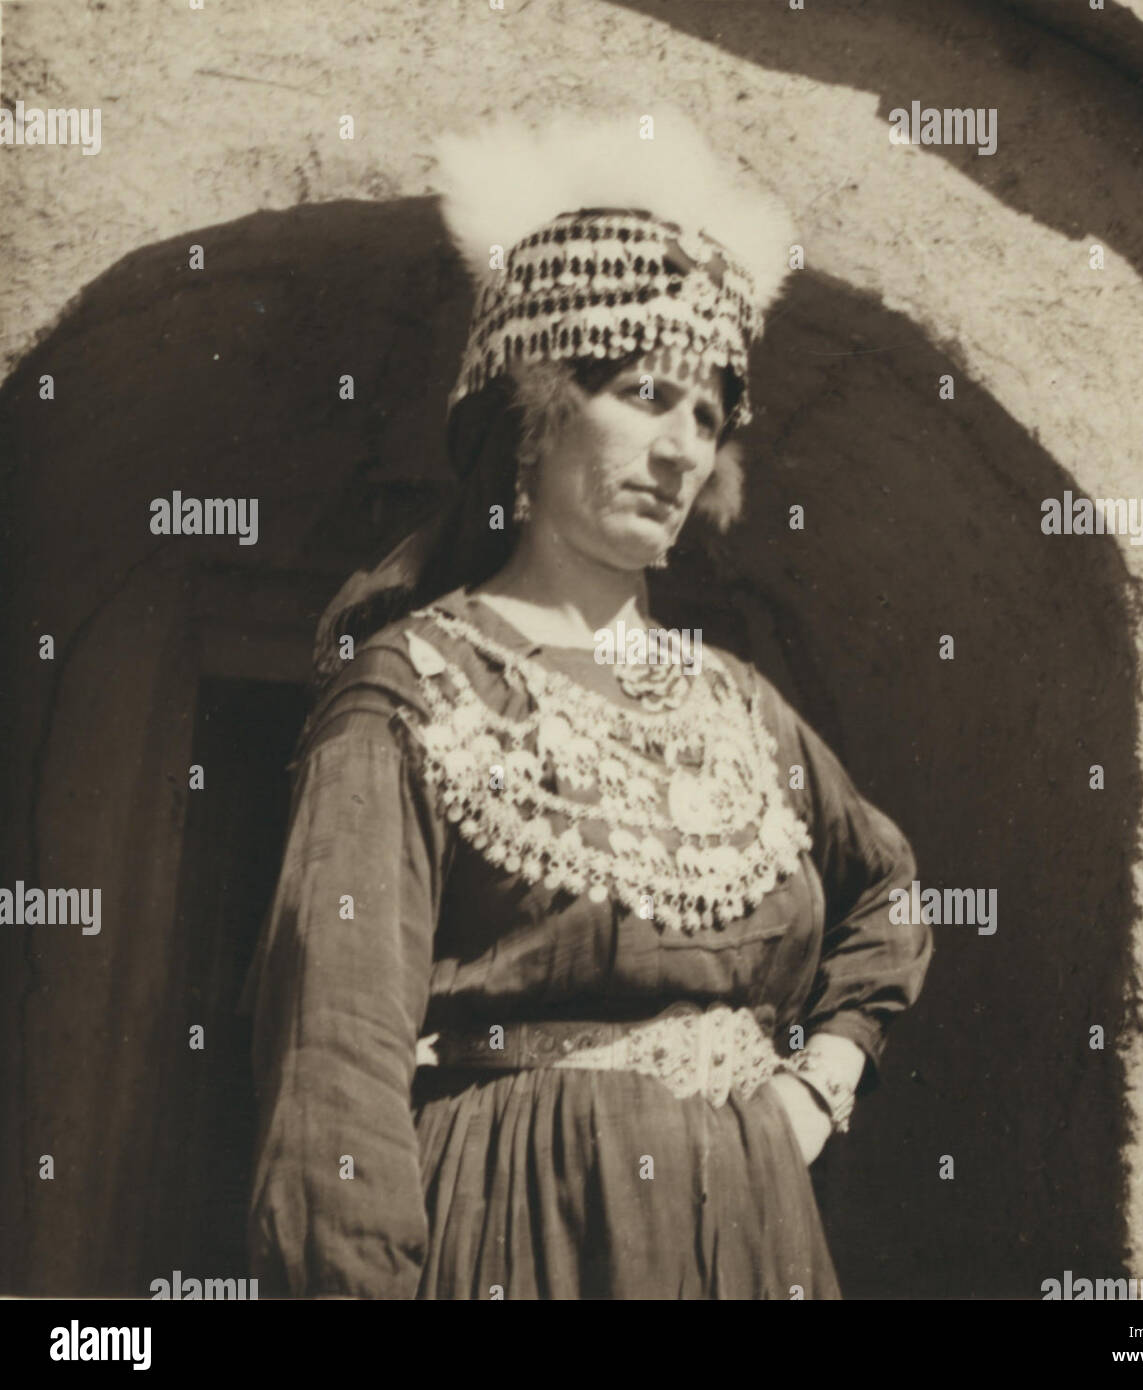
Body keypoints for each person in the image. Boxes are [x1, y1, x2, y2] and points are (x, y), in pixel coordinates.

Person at [244, 111, 933, 1299]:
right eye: (646, 395)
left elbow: (888, 893)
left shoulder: (743, 709)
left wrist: (814, 1089)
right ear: (536, 413)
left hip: (747, 1231)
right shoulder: (405, 696)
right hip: (522, 1223)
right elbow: (335, 1072)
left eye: (707, 417)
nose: (682, 450)